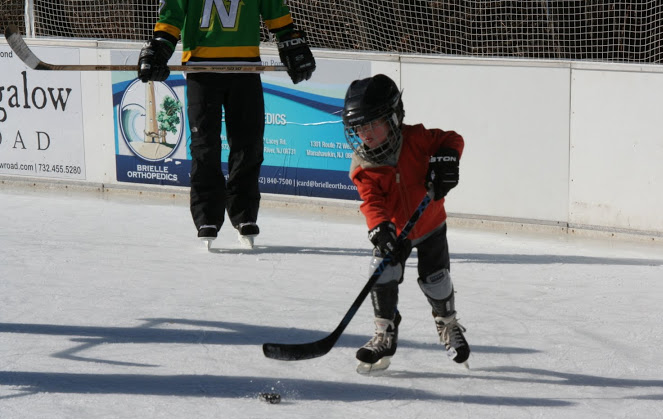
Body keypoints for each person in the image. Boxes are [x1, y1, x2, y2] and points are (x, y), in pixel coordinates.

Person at [137, 0, 316, 246]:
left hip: (245, 70)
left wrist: (290, 40)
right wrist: (160, 48)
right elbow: (172, 16)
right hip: (201, 70)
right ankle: (207, 216)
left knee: (248, 144)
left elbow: (274, 10)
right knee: (204, 146)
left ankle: (244, 213)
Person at [342, 74, 470, 373]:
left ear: (394, 118)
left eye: (372, 124)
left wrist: (448, 159)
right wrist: (380, 227)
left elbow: (453, 139)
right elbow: (371, 202)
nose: (365, 134)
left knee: (436, 280)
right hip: (396, 231)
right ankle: (384, 332)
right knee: (381, 270)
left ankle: (447, 323)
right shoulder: (364, 164)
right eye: (359, 127)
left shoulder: (418, 138)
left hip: (431, 225)